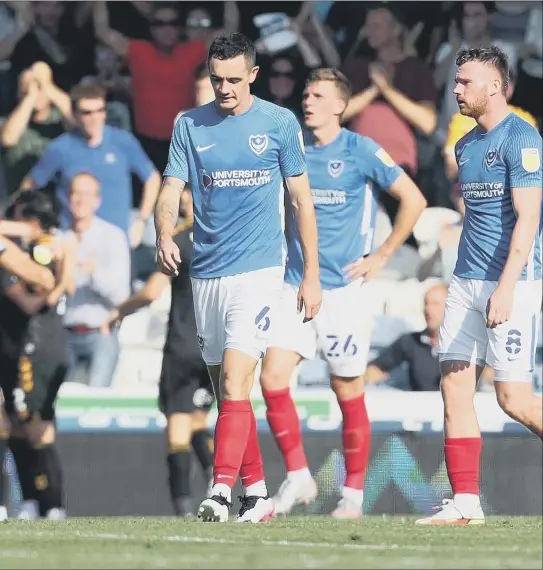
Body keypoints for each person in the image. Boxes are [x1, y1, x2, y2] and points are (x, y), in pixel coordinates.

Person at [155, 32, 321, 523]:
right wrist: (165, 232)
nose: (223, 88)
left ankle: (220, 491)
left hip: (260, 272)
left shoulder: (277, 123)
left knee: (233, 379)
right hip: (206, 273)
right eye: (215, 79)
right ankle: (259, 492)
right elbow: (170, 189)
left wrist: (309, 274)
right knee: (230, 391)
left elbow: (301, 201)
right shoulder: (189, 124)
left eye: (232, 79)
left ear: (252, 75)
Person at [260, 67, 427, 519]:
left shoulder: (360, 150)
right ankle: (298, 475)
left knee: (346, 386)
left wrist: (383, 255)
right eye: (306, 93)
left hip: (345, 291)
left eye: (318, 95)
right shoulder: (289, 151)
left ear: (339, 105)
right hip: (296, 285)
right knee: (272, 377)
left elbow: (414, 199)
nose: (308, 101)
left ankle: (352, 494)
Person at [416, 46, 542, 525]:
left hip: (512, 282)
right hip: (466, 283)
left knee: (514, 400)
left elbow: (527, 219)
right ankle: (465, 502)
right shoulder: (465, 145)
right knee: (454, 384)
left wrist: (506, 286)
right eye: (455, 81)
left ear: (495, 85)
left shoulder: (523, 138)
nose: (456, 89)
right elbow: (477, 219)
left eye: (465, 81)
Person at [102, 188, 214, 517]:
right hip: (216, 349)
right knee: (198, 421)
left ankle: (183, 507)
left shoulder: (178, 240)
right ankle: (218, 482)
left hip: (183, 346)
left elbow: (151, 292)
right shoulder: (226, 237)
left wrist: (119, 311)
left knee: (178, 427)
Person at [0, 190, 70, 521]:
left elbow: (43, 278)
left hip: (33, 346)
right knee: (17, 424)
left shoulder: (48, 246)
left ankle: (44, 503)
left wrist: (52, 277)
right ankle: (35, 503)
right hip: (26, 344)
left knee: (26, 424)